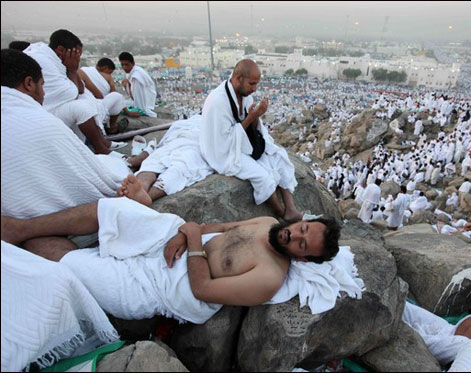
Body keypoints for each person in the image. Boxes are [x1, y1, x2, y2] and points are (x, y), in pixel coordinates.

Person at [0, 186, 341, 322]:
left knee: (69, 264)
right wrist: (184, 232)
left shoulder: (267, 277)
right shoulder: (268, 221)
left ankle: (28, 248)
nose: (294, 234)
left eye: (301, 243)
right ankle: (20, 228)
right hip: (174, 239)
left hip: (163, 285)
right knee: (115, 208)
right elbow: (216, 227)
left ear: (302, 259)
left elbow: (203, 290)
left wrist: (191, 240)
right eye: (303, 229)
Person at [0, 49, 147, 238]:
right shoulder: (40, 124)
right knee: (111, 184)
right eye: (42, 85)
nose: (44, 94)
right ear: (29, 83)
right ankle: (130, 163)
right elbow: (89, 182)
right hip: (28, 227)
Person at [200, 59, 302, 220]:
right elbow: (223, 141)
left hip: (242, 143)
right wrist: (252, 116)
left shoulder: (244, 95)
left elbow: (251, 130)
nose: (254, 89)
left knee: (279, 157)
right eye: (252, 84)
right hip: (223, 152)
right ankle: (281, 213)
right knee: (263, 177)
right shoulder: (217, 101)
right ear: (238, 78)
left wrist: (255, 117)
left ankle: (291, 207)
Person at [24, 29, 117, 154]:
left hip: (47, 109)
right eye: (76, 54)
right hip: (41, 115)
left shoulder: (52, 58)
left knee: (86, 98)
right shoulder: (44, 61)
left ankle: (101, 142)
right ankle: (99, 147)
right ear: (61, 50)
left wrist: (72, 69)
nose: (77, 58)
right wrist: (72, 69)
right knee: (81, 107)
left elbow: (81, 89)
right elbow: (72, 93)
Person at [78, 57, 136, 134]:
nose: (110, 74)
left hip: (81, 103)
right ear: (105, 68)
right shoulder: (107, 77)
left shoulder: (83, 70)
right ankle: (112, 127)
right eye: (110, 72)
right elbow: (113, 94)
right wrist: (128, 112)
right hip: (95, 106)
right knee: (117, 96)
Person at [118, 52, 157, 118]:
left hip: (144, 104)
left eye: (126, 65)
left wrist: (137, 111)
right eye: (122, 65)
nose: (124, 67)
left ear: (133, 63)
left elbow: (138, 100)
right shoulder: (132, 71)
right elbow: (132, 96)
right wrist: (125, 85)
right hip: (136, 101)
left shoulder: (136, 77)